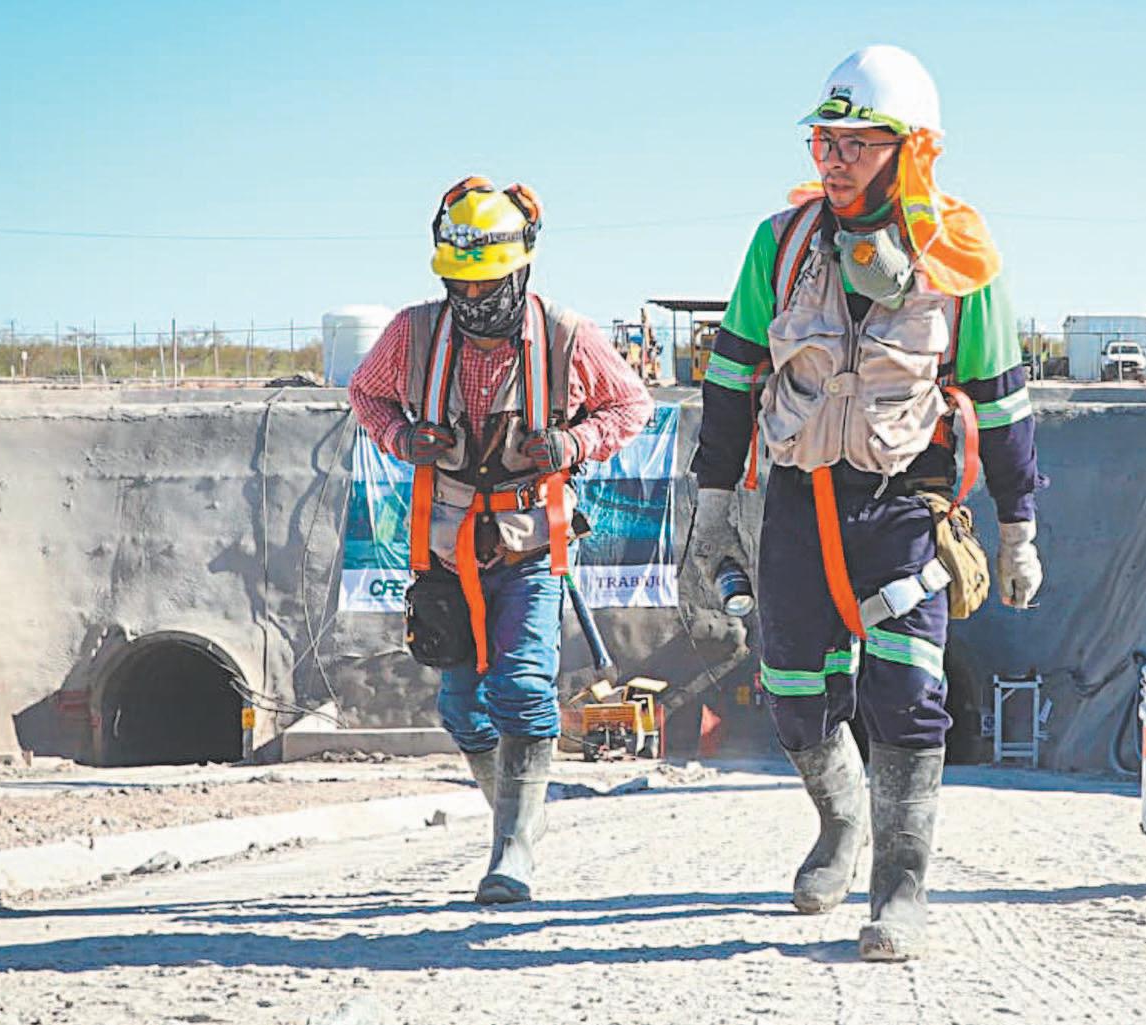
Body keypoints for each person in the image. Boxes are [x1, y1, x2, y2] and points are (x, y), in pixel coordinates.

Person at [688, 45, 1044, 961]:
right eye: (824, 140)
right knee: (795, 694)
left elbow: (1002, 401)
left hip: (904, 508)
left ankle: (901, 885)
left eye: (854, 142)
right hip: (799, 502)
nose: (833, 158)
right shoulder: (781, 245)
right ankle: (841, 822)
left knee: (909, 693)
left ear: (910, 149)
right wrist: (714, 505)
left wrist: (1019, 527)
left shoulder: (960, 257)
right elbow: (731, 375)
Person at [349, 176, 651, 904]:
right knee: (461, 707)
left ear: (520, 270)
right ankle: (518, 814)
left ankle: (512, 850)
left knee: (521, 687)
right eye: (459, 284)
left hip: (530, 546)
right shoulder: (413, 333)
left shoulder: (567, 336)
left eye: (485, 284)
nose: (472, 298)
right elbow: (366, 394)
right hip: (446, 549)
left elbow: (631, 403)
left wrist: (574, 443)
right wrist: (401, 436)